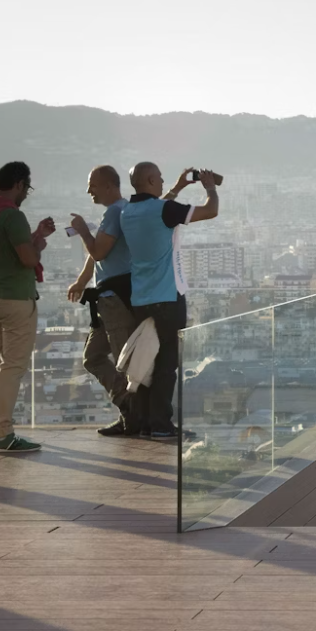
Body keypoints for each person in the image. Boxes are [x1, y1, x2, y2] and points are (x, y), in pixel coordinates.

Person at [120, 164, 219, 439]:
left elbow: (157, 209)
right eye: (160, 178)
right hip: (168, 296)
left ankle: (142, 422)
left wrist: (176, 187)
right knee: (166, 363)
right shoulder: (163, 211)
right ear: (151, 180)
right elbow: (211, 210)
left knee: (145, 361)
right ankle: (161, 425)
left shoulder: (129, 212)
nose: (163, 180)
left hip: (140, 298)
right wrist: (209, 187)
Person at [67, 165, 137, 436]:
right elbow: (99, 253)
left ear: (109, 185)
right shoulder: (122, 211)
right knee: (93, 356)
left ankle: (137, 416)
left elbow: (96, 251)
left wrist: (83, 231)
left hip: (116, 301)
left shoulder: (116, 212)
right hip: (109, 300)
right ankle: (127, 407)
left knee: (124, 362)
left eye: (92, 186)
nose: (88, 191)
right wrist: (82, 281)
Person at [0, 162, 55, 452]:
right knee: (12, 367)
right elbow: (27, 259)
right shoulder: (11, 216)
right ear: (19, 184)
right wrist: (37, 244)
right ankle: (2, 433)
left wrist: (36, 238)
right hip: (15, 300)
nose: (26, 194)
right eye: (27, 188)